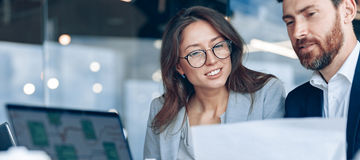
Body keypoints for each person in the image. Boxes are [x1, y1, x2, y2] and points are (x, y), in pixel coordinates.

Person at [143, 6, 285, 160]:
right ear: (179, 66)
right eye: (195, 53)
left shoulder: (266, 94)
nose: (212, 60)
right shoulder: (161, 110)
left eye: (218, 46)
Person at [278, 0, 360, 159]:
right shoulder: (295, 101)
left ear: (348, 11)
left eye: (311, 14)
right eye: (289, 22)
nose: (297, 33)